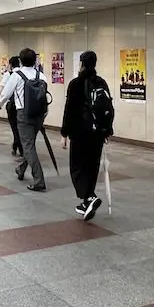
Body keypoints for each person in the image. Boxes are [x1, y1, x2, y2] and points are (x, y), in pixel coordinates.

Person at [60, 50, 114, 221]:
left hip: (79, 132)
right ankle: (86, 203)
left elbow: (69, 110)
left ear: (82, 63)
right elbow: (107, 108)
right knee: (92, 167)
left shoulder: (75, 84)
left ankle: (90, 197)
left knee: (76, 168)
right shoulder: (101, 82)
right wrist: (107, 130)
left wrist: (64, 134)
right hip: (97, 133)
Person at [0, 48, 48, 192]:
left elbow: (6, 93)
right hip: (39, 116)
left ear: (20, 60)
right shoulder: (42, 76)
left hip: (24, 115)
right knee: (29, 144)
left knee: (28, 147)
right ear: (35, 61)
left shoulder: (17, 75)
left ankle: (39, 180)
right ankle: (21, 169)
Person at [0, 56, 23, 158]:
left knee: (14, 128)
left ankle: (17, 146)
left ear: (11, 64)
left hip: (12, 105)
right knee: (20, 128)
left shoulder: (8, 75)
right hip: (22, 107)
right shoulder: (23, 75)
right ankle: (16, 146)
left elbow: (3, 91)